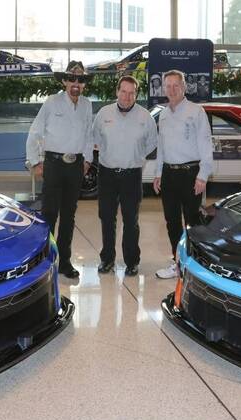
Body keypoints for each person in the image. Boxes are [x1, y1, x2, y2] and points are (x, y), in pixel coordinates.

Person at [26, 61, 93, 279]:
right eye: (72, 79)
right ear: (64, 81)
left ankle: (64, 261)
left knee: (69, 216)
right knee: (49, 215)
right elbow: (35, 132)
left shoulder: (87, 105)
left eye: (80, 80)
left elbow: (88, 135)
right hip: (53, 165)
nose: (76, 83)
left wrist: (87, 160)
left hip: (75, 166)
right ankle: (45, 262)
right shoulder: (52, 102)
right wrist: (35, 161)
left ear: (84, 84)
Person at [92, 75, 157, 276]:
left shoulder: (145, 117)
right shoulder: (103, 114)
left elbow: (152, 143)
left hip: (132, 175)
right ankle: (107, 259)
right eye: (124, 91)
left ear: (136, 94)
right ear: (117, 91)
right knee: (107, 218)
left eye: (132, 93)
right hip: (107, 174)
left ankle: (132, 261)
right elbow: (96, 139)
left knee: (131, 220)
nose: (127, 96)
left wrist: (135, 156)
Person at [153, 70, 213, 280]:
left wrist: (203, 175)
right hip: (169, 174)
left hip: (191, 174)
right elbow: (161, 146)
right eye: (167, 86)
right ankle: (177, 262)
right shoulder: (163, 114)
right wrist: (158, 173)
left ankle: (194, 264)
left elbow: (206, 144)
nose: (171, 90)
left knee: (192, 222)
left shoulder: (196, 111)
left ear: (184, 87)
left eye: (175, 85)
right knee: (171, 221)